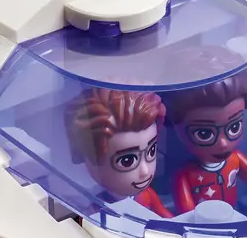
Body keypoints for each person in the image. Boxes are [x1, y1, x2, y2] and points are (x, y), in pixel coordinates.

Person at [163, 46, 247, 214]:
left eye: (234, 127)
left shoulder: (235, 160)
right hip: (204, 226)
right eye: (204, 134)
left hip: (235, 216)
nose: (223, 143)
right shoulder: (185, 177)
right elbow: (187, 213)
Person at [65, 87, 173, 218]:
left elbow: (166, 217)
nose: (145, 171)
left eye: (151, 151)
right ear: (88, 158)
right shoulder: (98, 208)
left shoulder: (147, 195)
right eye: (127, 161)